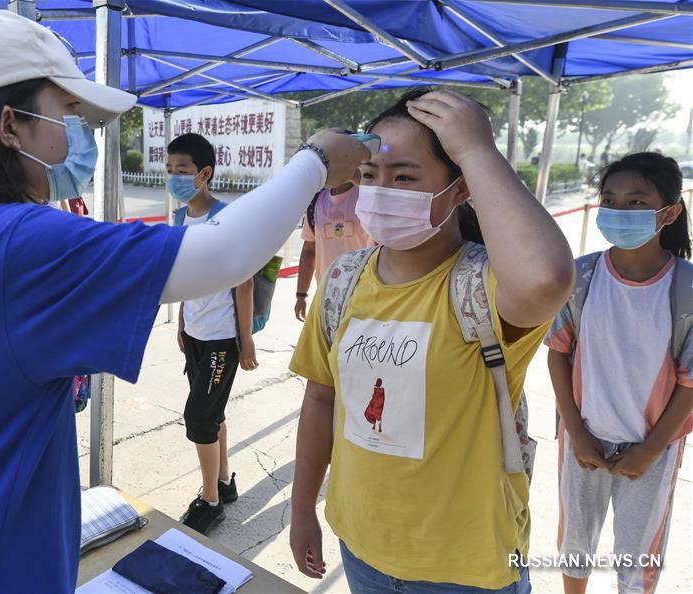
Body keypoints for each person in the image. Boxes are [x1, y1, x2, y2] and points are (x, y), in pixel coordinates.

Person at [0, 11, 368, 593]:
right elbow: (223, 254)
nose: (73, 137)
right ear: (11, 124)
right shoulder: (17, 244)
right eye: (66, 115)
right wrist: (317, 158)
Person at [288, 88, 575, 593]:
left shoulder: (484, 289)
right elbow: (320, 398)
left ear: (460, 190)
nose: (379, 192)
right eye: (370, 176)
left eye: (404, 177)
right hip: (361, 545)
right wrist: (302, 509)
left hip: (465, 567)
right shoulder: (344, 280)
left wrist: (477, 151)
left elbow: (546, 278)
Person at [546, 153, 692, 594]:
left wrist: (650, 449)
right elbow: (557, 354)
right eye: (610, 200)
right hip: (583, 440)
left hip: (655, 449)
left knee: (638, 556)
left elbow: (689, 382)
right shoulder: (582, 275)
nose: (618, 210)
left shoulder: (685, 288)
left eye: (635, 202)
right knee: (576, 544)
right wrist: (576, 431)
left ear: (669, 213)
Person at [166, 133, 258, 535]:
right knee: (212, 412)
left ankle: (210, 501)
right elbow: (187, 276)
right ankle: (223, 480)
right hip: (197, 334)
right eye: (168, 170)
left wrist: (246, 339)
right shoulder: (179, 218)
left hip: (222, 339)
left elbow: (245, 282)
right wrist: (184, 322)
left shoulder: (227, 218)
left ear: (204, 173)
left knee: (199, 418)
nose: (173, 178)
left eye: (181, 171)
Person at [294, 178, 372, 321]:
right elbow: (309, 250)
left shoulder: (367, 196)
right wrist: (301, 295)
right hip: (326, 296)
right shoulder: (316, 202)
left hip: (363, 296)